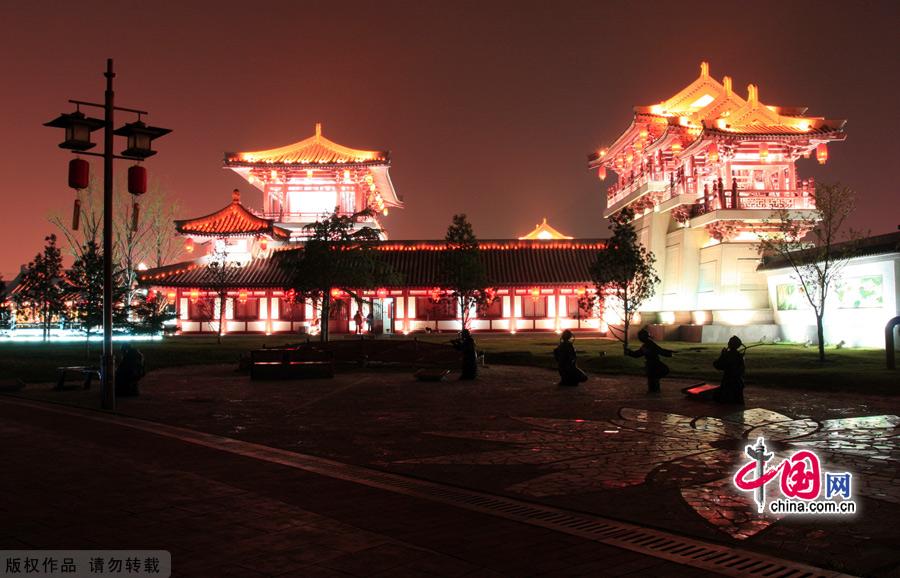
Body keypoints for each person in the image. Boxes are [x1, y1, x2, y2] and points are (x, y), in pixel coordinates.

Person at [625, 328, 673, 393]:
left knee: (657, 374)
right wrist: (629, 352)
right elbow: (638, 354)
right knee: (653, 376)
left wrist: (669, 353)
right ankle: (654, 390)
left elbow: (659, 350)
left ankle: (654, 390)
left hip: (653, 363)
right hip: (652, 363)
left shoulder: (649, 344)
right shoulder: (647, 344)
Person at [713, 336, 745, 404]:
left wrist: (722, 355)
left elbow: (717, 365)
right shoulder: (740, 356)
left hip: (728, 383)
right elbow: (742, 370)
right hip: (738, 384)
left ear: (729, 344)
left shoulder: (727, 355)